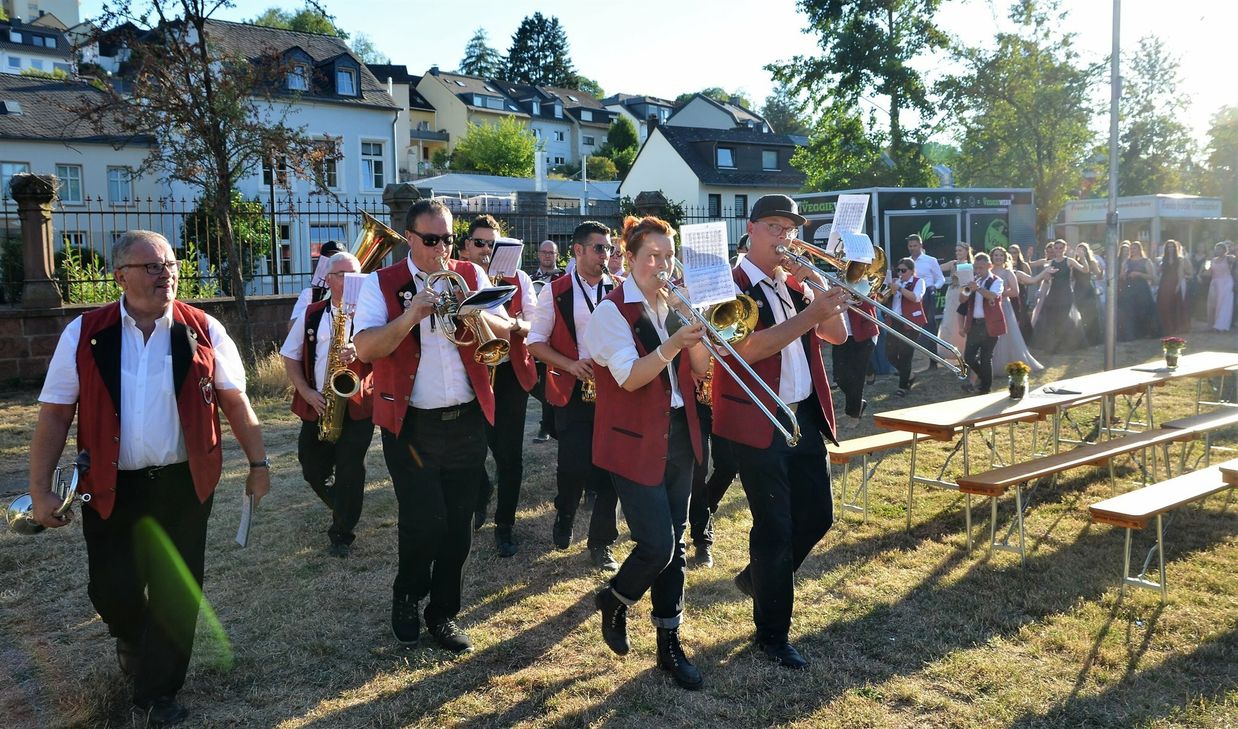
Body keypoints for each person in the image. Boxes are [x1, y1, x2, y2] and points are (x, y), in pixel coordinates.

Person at [29, 230, 270, 726]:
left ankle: (158, 693)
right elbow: (54, 414)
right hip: (110, 485)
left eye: (171, 264)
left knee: (176, 591)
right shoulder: (84, 332)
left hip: (183, 483)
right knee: (110, 589)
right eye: (153, 267)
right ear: (120, 276)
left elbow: (235, 401)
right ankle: (133, 637)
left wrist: (259, 464)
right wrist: (39, 489)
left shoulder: (203, 328)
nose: (167, 274)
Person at [353, 199, 517, 654]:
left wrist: (473, 311)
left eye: (447, 238)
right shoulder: (381, 283)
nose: (442, 248)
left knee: (459, 525)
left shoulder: (469, 274)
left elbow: (504, 328)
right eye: (431, 240)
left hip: (465, 419)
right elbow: (365, 348)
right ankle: (407, 595)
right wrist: (410, 316)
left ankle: (443, 613)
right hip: (410, 425)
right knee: (423, 521)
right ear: (409, 238)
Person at [714, 194, 850, 669]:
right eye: (774, 226)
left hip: (802, 415)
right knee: (775, 527)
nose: (784, 237)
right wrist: (808, 315)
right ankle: (772, 635)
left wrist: (818, 289)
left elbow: (838, 335)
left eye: (790, 230)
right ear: (750, 228)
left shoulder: (794, 283)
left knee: (817, 516)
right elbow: (745, 351)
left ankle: (759, 580)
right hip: (759, 418)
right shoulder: (729, 285)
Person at [585, 215, 711, 690]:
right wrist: (674, 342)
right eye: (652, 257)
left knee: (674, 548)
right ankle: (616, 598)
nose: (662, 266)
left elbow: (699, 371)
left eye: (668, 256)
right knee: (658, 544)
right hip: (633, 439)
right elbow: (631, 377)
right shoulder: (611, 312)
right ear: (629, 259)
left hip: (679, 433)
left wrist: (697, 330)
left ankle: (669, 644)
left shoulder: (674, 304)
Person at [527, 221, 622, 571]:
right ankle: (565, 512)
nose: (606, 255)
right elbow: (535, 343)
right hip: (576, 389)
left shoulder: (621, 288)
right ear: (578, 250)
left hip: (615, 390)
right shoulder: (555, 291)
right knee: (573, 467)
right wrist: (570, 365)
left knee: (612, 470)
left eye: (609, 249)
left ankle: (602, 542)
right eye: (599, 248)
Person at [281, 251, 374, 558]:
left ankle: (342, 533)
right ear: (329, 279)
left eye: (355, 275)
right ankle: (344, 504)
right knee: (311, 467)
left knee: (350, 470)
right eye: (342, 275)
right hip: (319, 402)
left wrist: (360, 350)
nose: (349, 281)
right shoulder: (312, 313)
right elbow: (290, 355)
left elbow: (385, 352)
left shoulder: (372, 313)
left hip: (358, 404)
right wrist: (306, 392)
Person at [456, 215, 538, 557]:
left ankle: (504, 526)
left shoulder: (519, 278)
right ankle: (481, 492)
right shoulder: (456, 277)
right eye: (480, 243)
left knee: (510, 456)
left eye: (494, 244)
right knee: (471, 447)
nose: (487, 250)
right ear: (466, 246)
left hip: (507, 374)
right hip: (467, 374)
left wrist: (512, 324)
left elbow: (535, 324)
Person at [988, 246, 1042, 378]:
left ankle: (1009, 363)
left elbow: (1015, 292)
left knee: (1007, 335)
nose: (998, 257)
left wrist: (999, 294)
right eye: (996, 255)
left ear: (1004, 257)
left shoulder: (1008, 273)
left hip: (1004, 306)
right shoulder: (988, 272)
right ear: (992, 257)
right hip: (990, 308)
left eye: (1001, 255)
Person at [530, 240, 565, 443]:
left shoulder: (565, 278)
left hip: (558, 337)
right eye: (544, 252)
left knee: (555, 381)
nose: (547, 255)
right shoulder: (531, 279)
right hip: (539, 335)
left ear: (557, 255)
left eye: (551, 253)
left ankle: (551, 426)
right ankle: (547, 424)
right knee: (541, 383)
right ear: (538, 254)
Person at [958, 252, 1006, 394]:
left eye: (981, 268)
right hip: (974, 324)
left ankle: (985, 388)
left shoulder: (997, 281)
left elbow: (992, 296)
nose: (978, 271)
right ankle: (985, 379)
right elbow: (962, 300)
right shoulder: (973, 281)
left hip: (990, 324)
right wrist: (967, 288)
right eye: (976, 268)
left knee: (986, 358)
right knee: (968, 357)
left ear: (989, 266)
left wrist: (977, 288)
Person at [1030, 240, 1086, 353]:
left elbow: (1085, 270)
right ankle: (1052, 346)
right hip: (1053, 294)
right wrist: (1046, 276)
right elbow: (1045, 278)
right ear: (1053, 249)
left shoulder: (1069, 261)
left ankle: (1064, 346)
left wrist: (1083, 257)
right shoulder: (1050, 262)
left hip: (1066, 294)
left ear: (1065, 249)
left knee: (1064, 319)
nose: (1058, 250)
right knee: (1051, 320)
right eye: (1056, 248)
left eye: (1061, 248)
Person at [885, 257, 928, 397]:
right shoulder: (896, 281)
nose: (900, 273)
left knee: (905, 355)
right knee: (890, 354)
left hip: (911, 323)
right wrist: (888, 291)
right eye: (898, 270)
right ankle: (908, 374)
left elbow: (916, 298)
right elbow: (884, 300)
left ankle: (903, 387)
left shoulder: (919, 282)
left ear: (912, 270)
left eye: (903, 270)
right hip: (895, 321)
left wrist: (900, 288)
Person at [832, 297, 878, 424]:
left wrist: (844, 298)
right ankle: (858, 403)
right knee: (839, 377)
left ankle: (854, 415)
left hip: (863, 333)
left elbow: (867, 299)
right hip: (841, 334)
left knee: (857, 377)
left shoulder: (864, 285)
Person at [906, 233, 945, 371]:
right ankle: (907, 364)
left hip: (927, 294)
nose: (912, 248)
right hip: (911, 295)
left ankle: (933, 361)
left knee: (929, 326)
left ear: (921, 245)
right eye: (910, 246)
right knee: (909, 327)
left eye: (915, 245)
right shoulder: (906, 261)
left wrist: (935, 287)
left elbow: (941, 279)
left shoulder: (930, 260)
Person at [290, 239, 345, 327]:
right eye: (329, 260)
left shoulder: (354, 295)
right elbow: (292, 326)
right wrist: (314, 312)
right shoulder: (309, 294)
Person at [936, 243, 974, 365]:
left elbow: (969, 285)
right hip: (951, 293)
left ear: (967, 251)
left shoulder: (967, 266)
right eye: (956, 250)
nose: (958, 253)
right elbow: (937, 268)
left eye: (960, 250)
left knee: (959, 321)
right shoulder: (953, 263)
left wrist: (965, 298)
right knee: (949, 321)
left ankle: (963, 352)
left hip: (960, 295)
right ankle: (950, 353)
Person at [1121, 241, 1159, 340]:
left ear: (1139, 249)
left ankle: (1146, 332)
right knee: (1131, 310)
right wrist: (1124, 274)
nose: (1133, 250)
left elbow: (1152, 276)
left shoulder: (1146, 261)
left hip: (1142, 288)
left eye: (1134, 248)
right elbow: (1122, 275)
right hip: (1130, 288)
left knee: (1144, 309)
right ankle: (1134, 333)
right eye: (1131, 249)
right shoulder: (1126, 261)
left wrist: (1139, 274)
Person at [1156, 240, 1192, 337]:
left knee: (1173, 304)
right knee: (1164, 304)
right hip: (1164, 283)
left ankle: (1173, 327)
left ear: (1175, 248)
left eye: (1172, 247)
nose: (1170, 249)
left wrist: (1178, 285)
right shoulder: (1163, 259)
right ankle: (1165, 327)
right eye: (1168, 247)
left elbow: (1180, 273)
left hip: (1174, 282)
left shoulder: (1179, 259)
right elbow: (1158, 272)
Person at [1073, 243, 1103, 346]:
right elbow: (1071, 277)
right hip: (1078, 289)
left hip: (1088, 289)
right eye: (1079, 250)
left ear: (1086, 251)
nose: (1081, 252)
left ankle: (1093, 339)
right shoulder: (1074, 262)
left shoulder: (1091, 262)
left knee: (1091, 313)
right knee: (1079, 313)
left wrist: (1101, 271)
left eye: (1083, 250)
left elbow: (1099, 276)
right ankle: (1081, 339)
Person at [1206, 240, 1235, 332]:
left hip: (1226, 282)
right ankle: (1213, 324)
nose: (1217, 250)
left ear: (1224, 250)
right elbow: (1208, 272)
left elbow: (1235, 259)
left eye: (1219, 249)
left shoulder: (1229, 258)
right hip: (1215, 282)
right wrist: (1206, 265)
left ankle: (1221, 325)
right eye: (1216, 249)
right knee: (1213, 303)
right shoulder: (1212, 260)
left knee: (1224, 304)